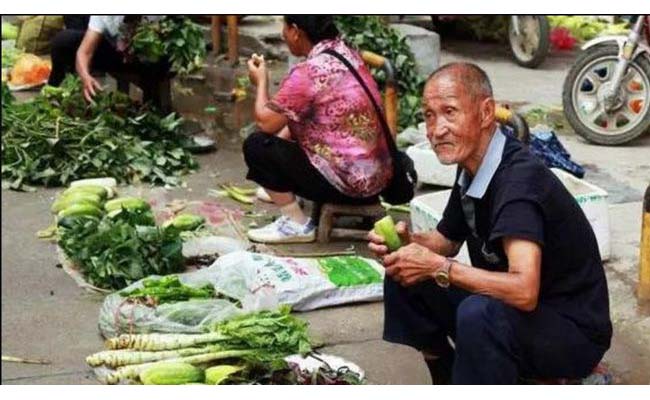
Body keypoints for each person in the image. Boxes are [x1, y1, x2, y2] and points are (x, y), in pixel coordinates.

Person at [368, 62, 612, 384]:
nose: (436, 129)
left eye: (450, 112)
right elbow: (446, 240)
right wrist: (409, 243)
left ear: (485, 113)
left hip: (571, 333)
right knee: (404, 274)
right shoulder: (472, 162)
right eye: (429, 115)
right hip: (522, 315)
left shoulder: (518, 184)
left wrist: (438, 267)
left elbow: (524, 290)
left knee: (478, 314)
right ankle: (446, 376)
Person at [243, 15, 393, 244]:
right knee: (299, 117)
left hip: (348, 186)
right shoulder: (346, 51)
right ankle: (279, 186)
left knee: (256, 145)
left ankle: (296, 224)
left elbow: (265, 122)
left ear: (295, 30)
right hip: (378, 178)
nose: (282, 34)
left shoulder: (310, 72)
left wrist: (261, 81)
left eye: (283, 26)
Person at [48, 15, 170, 106]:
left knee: (156, 60)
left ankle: (152, 106)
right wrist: (85, 77)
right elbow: (84, 52)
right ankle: (51, 96)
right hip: (116, 54)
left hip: (149, 58)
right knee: (63, 41)